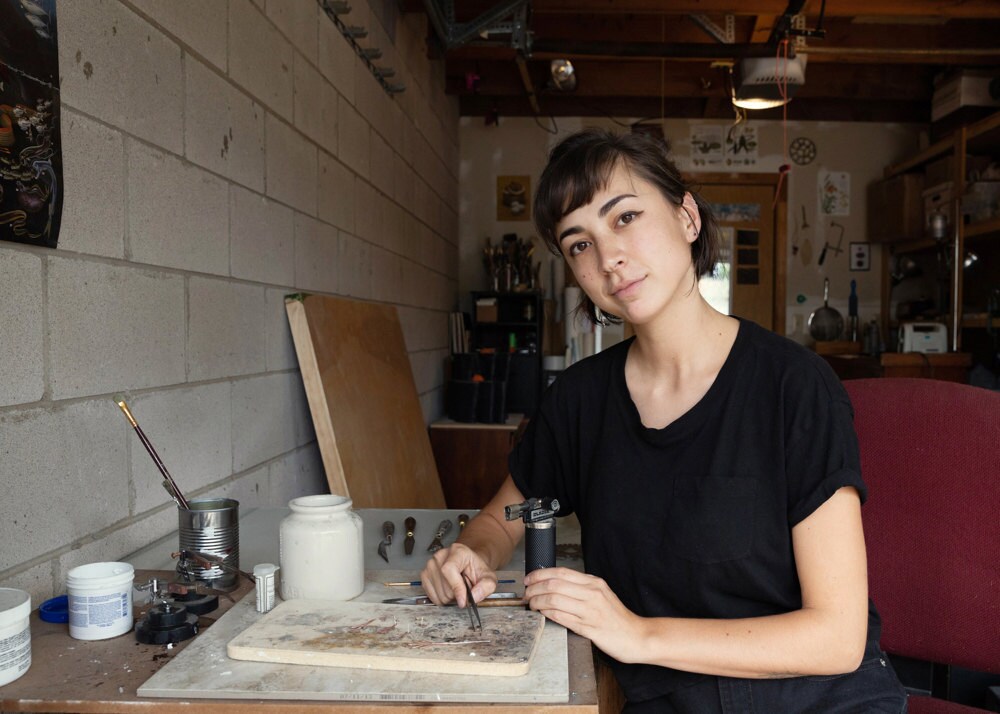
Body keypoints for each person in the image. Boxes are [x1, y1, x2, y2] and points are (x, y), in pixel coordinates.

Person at [421, 129, 907, 712]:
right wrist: (471, 555)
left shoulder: (795, 387)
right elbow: (503, 522)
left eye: (624, 217)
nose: (608, 258)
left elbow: (836, 638)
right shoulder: (580, 401)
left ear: (688, 218)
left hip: (818, 701)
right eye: (579, 244)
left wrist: (636, 633)